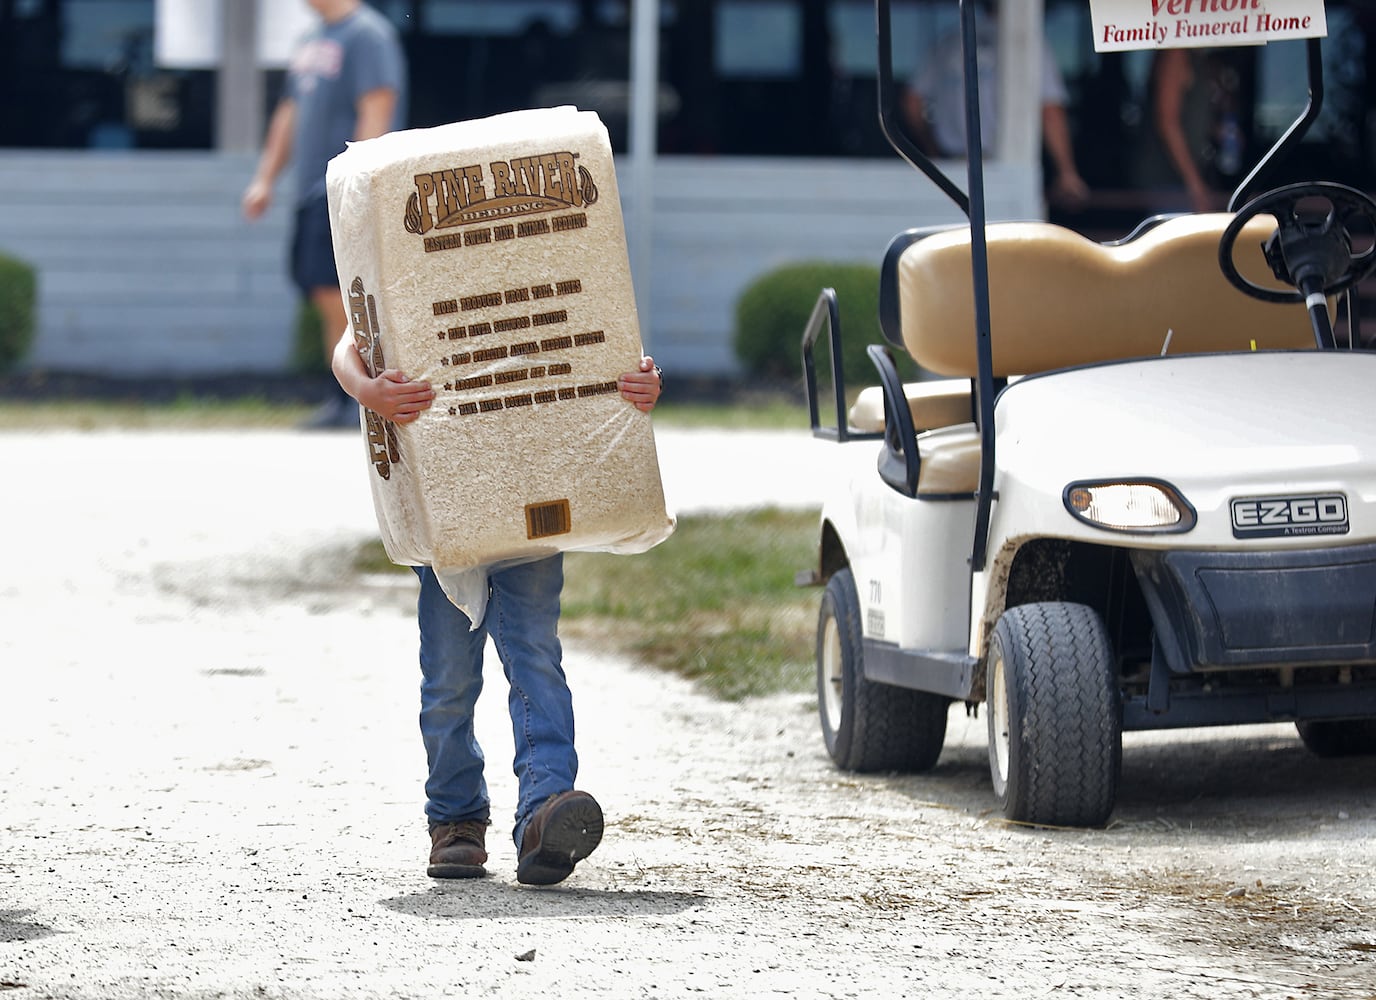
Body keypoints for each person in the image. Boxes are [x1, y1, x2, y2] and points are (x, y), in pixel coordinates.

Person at [331, 340, 664, 884]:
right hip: (444, 513)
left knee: (535, 659)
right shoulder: (401, 257)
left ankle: (544, 811)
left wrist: (647, 379)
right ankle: (455, 818)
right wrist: (369, 392)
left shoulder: (546, 254)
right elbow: (349, 341)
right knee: (449, 680)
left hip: (530, 500)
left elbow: (600, 328)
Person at [242, 0, 407, 429]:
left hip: (339, 190)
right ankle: (344, 396)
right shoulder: (310, 40)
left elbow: (378, 107)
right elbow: (289, 113)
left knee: (341, 294)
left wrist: (354, 184)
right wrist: (265, 178)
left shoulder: (368, 34)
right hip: (310, 190)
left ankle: (358, 397)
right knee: (322, 290)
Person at [901, 4, 1090, 209]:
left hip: (948, 173)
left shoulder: (949, 41)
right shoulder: (1026, 43)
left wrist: (933, 154)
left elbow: (912, 103)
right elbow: (1049, 110)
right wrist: (1067, 173)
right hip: (1002, 173)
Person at [1134, 47, 1233, 214]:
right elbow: (1167, 122)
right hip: (1169, 184)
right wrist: (1195, 185)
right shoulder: (1176, 54)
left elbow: (1189, 117)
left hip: (1184, 183)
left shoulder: (1199, 59)